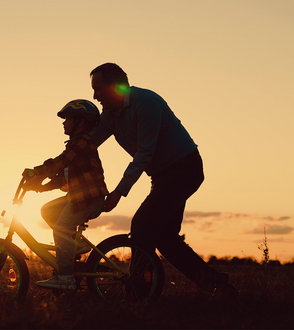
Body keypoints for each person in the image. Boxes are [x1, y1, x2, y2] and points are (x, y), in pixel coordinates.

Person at [89, 62, 238, 297]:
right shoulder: (110, 115)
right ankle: (216, 285)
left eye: (97, 89)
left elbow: (145, 153)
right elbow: (87, 144)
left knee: (142, 225)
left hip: (184, 169)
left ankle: (140, 290)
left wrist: (119, 191)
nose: (94, 96)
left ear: (115, 87)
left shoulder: (146, 103)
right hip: (162, 175)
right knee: (166, 238)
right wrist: (57, 166)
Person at [22, 99, 109, 291]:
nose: (63, 123)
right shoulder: (74, 144)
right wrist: (37, 187)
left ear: (81, 122)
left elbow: (61, 161)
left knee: (60, 228)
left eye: (67, 119)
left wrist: (34, 172)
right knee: (47, 210)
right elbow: (61, 179)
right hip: (78, 197)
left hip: (88, 198)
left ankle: (65, 277)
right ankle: (74, 245)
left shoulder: (83, 141)